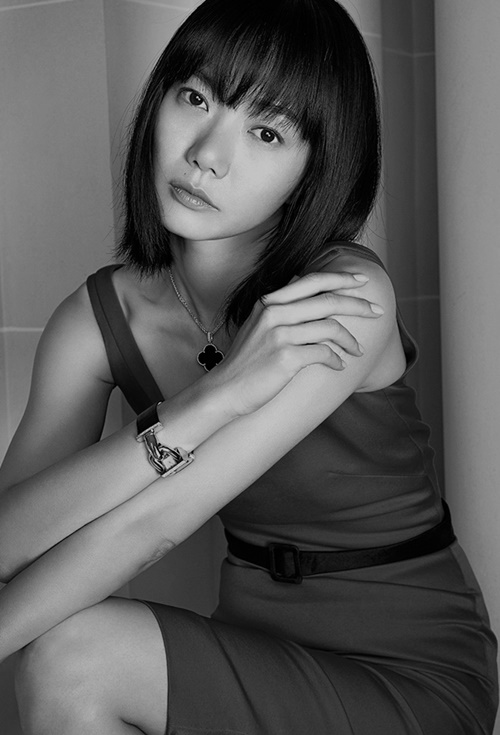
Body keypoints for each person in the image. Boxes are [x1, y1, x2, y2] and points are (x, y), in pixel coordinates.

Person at [0, 0, 497, 732]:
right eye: (195, 98)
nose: (207, 153)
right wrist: (209, 401)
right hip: (254, 644)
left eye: (266, 132)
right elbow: (11, 542)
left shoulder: (342, 298)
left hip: (407, 667)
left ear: (316, 168)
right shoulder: (98, 320)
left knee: (70, 654)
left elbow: (154, 524)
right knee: (61, 651)